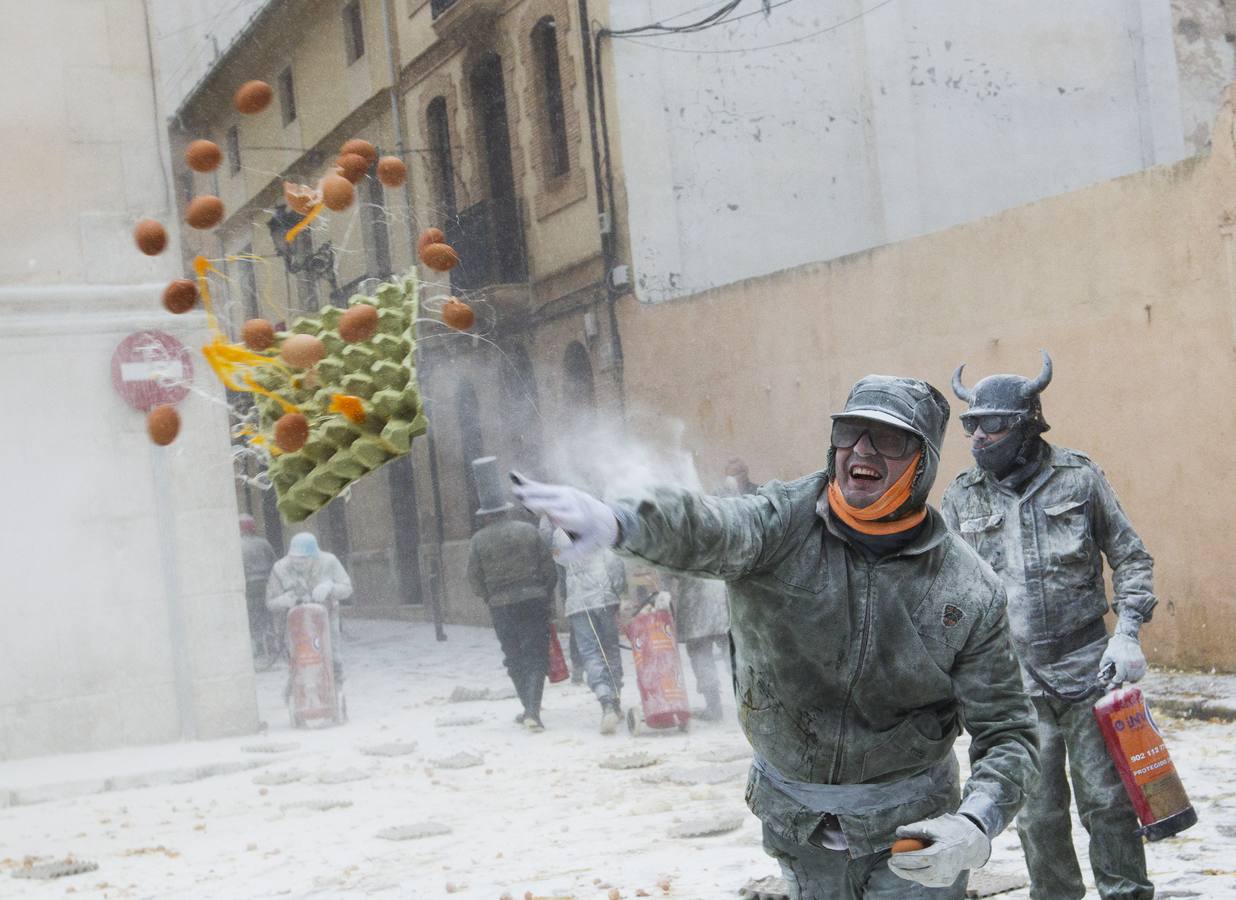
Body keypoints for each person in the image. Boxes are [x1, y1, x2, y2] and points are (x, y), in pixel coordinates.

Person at [514, 375, 1039, 899]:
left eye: (890, 440)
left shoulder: (967, 589)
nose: (862, 450)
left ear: (922, 461)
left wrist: (975, 823)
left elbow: (1008, 733)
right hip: (796, 825)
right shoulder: (781, 525)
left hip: (915, 837)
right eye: (850, 432)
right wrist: (621, 523)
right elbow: (709, 526)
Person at [942, 351, 1156, 900]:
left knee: (1107, 803)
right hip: (1012, 686)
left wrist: (1128, 630)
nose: (979, 438)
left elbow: (1131, 557)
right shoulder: (962, 496)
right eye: (971, 425)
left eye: (992, 425)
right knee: (1036, 815)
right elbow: (940, 592)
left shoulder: (1079, 478)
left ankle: (1126, 893)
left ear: (1027, 423)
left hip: (1090, 672)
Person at [467, 457, 559, 733]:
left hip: (500, 606)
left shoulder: (478, 541)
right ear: (506, 511)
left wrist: (490, 596)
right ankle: (532, 710)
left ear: (486, 515)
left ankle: (528, 708)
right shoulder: (529, 531)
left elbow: (474, 580)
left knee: (514, 657)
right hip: (533, 600)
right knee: (535, 656)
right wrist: (544, 594)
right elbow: (549, 571)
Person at [553, 528, 627, 734]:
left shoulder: (559, 534)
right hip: (605, 599)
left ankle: (606, 704)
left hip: (579, 605)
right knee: (611, 649)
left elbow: (559, 562)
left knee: (591, 653)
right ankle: (615, 698)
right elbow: (613, 562)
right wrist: (619, 591)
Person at [266, 531, 353, 687]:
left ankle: (336, 689)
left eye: (303, 561)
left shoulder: (329, 561)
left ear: (314, 556)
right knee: (301, 659)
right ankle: (301, 694)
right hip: (295, 622)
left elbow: (347, 589)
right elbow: (270, 603)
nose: (298, 565)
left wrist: (330, 587)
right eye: (294, 560)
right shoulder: (280, 568)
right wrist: (283, 601)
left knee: (331, 655)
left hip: (326, 617)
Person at [666, 573, 730, 722]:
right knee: (732, 653)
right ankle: (753, 701)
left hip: (694, 602)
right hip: (721, 599)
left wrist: (663, 591)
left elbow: (667, 568)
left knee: (701, 655)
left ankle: (714, 708)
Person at [239, 514, 276, 651]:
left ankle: (259, 645)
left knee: (253, 615)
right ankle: (271, 643)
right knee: (267, 613)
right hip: (266, 583)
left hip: (250, 585)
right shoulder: (263, 543)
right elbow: (274, 561)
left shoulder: (238, 545)